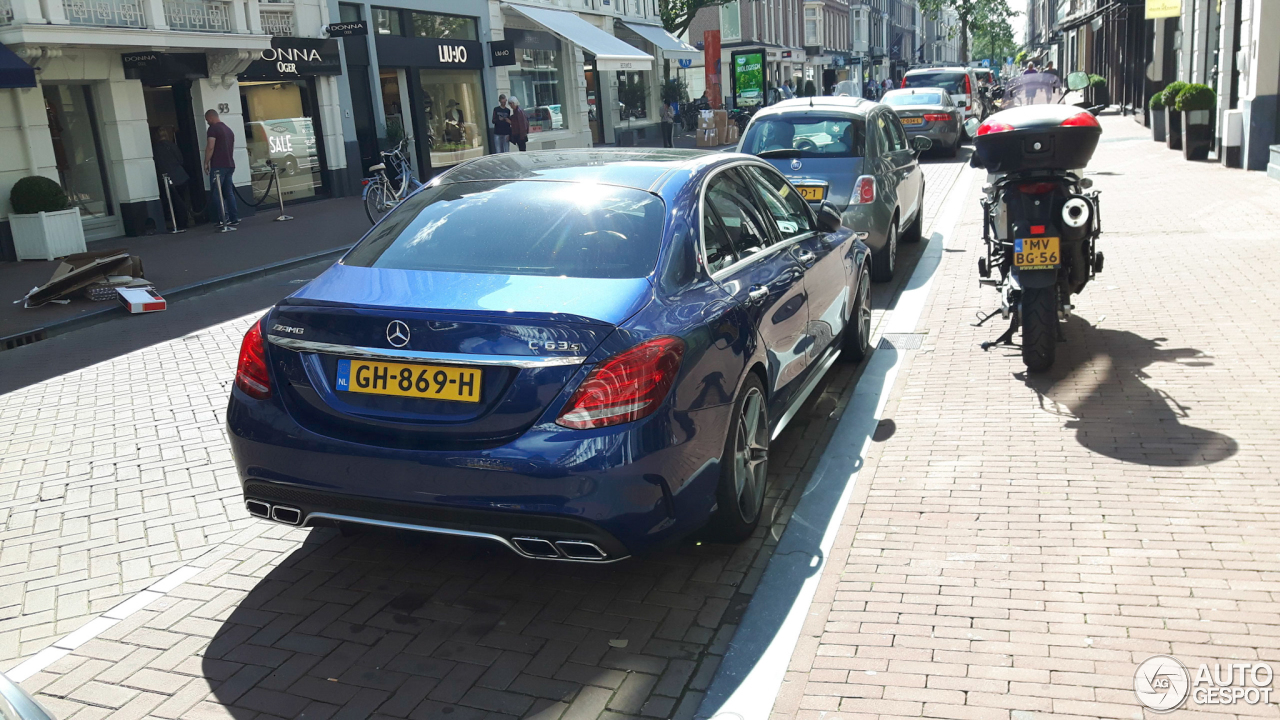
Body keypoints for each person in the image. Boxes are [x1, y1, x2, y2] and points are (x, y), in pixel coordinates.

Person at [202, 109, 238, 229]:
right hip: (230, 164)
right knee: (229, 192)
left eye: (207, 120)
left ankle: (224, 218)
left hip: (218, 165)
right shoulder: (228, 130)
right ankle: (234, 218)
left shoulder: (213, 129)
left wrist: (206, 162)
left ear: (211, 117)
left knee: (217, 193)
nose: (207, 122)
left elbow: (210, 146)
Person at [151, 126, 189, 230]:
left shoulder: (155, 149)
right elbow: (181, 160)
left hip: (168, 179)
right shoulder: (172, 145)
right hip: (181, 176)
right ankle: (184, 223)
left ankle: (177, 224)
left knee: (173, 203)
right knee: (181, 201)